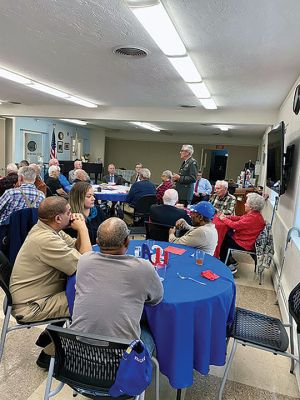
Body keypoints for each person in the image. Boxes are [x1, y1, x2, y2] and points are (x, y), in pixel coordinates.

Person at [9, 196, 92, 368]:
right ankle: (49, 355)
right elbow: (86, 263)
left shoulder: (48, 229)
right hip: (32, 305)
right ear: (58, 218)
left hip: (37, 295)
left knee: (77, 293)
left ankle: (50, 335)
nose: (72, 215)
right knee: (88, 303)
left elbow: (75, 249)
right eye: (69, 212)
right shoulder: (46, 239)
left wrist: (79, 233)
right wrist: (83, 229)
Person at [71, 217, 163, 352]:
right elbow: (156, 299)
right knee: (152, 331)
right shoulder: (143, 267)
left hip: (78, 354)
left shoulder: (84, 260)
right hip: (121, 360)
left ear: (97, 241)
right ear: (127, 241)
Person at [219, 193, 266, 274]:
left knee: (221, 240)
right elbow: (239, 218)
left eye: (246, 203)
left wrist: (223, 219)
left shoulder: (252, 218)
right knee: (226, 233)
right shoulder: (255, 215)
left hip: (244, 243)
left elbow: (234, 225)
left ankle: (228, 265)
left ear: (251, 206)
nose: (244, 204)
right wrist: (227, 217)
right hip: (246, 240)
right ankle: (230, 259)